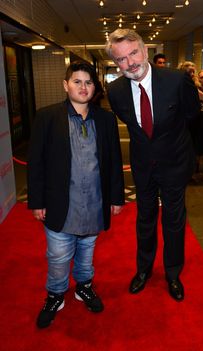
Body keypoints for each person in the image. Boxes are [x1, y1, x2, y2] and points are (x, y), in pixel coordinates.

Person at [27, 62, 124, 328]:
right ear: (65, 85)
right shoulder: (47, 117)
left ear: (96, 87)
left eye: (89, 82)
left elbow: (114, 160)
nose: (83, 87)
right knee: (58, 255)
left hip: (94, 201)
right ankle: (55, 294)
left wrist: (116, 197)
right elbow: (36, 162)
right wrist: (37, 201)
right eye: (77, 81)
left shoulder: (105, 119)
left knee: (87, 249)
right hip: (60, 202)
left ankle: (84, 286)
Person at [105, 29, 200, 302]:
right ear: (116, 62)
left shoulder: (176, 80)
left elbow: (191, 115)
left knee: (174, 219)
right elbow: (134, 127)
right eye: (122, 59)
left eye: (133, 53)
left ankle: (173, 273)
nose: (130, 62)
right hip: (143, 166)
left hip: (174, 163)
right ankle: (144, 270)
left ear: (145, 51)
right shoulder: (115, 91)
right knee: (144, 219)